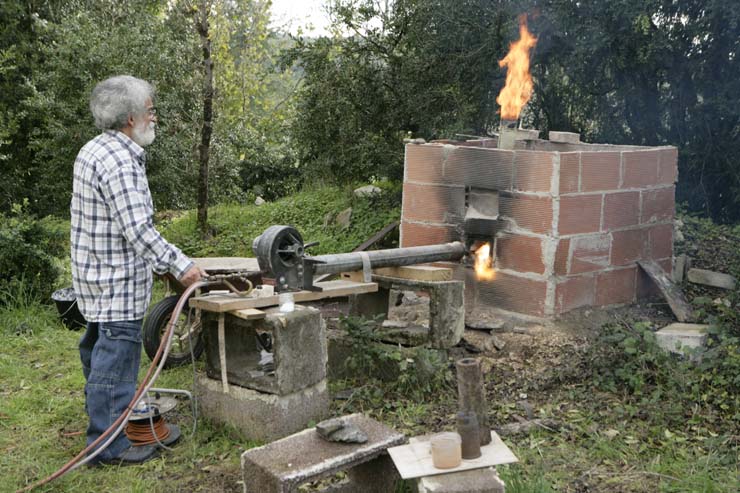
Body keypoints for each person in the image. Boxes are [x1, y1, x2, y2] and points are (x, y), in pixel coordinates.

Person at [70, 75, 204, 465]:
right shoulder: (120, 162)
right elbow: (138, 230)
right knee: (115, 366)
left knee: (97, 355)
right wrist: (182, 268)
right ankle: (108, 447)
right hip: (117, 284)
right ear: (130, 118)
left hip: (94, 279)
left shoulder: (93, 150)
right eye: (150, 111)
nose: (155, 118)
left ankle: (105, 421)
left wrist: (160, 266)